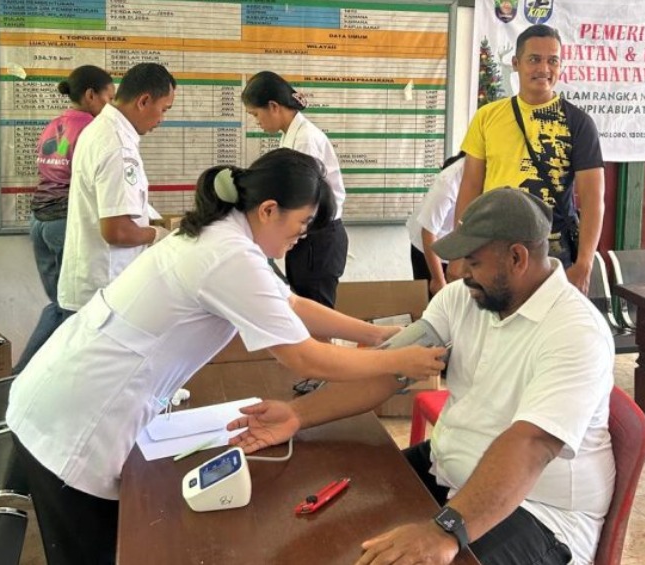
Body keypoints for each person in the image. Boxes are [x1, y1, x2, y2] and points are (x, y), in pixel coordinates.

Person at [7, 148, 446, 565]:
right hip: (75, 423)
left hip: (69, 394)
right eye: (302, 223)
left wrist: (376, 334)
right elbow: (304, 359)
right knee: (98, 552)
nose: (302, 236)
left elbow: (291, 305)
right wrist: (398, 360)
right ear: (269, 210)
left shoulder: (226, 235)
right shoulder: (228, 255)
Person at [228, 188, 615, 565]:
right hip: (449, 472)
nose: (458, 272)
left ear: (517, 258)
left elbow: (530, 445)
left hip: (540, 512)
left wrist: (446, 530)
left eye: (473, 262)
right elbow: (390, 370)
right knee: (333, 514)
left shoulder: (575, 332)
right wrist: (298, 414)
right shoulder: (462, 299)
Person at [453, 24, 604, 295]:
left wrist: (585, 262)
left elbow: (593, 198)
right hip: (492, 245)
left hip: (551, 250)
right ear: (516, 63)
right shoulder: (487, 117)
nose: (544, 69)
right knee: (493, 315)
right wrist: (460, 249)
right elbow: (471, 186)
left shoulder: (578, 123)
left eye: (552, 61)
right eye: (534, 59)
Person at [13, 66, 115, 374]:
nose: (111, 106)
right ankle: (30, 377)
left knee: (58, 304)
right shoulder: (93, 129)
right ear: (91, 95)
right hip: (64, 222)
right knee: (73, 308)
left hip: (39, 221)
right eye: (109, 98)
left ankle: (22, 377)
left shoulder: (55, 124)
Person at [57, 62, 176, 312]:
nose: (162, 120)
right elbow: (117, 232)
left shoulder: (100, 128)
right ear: (144, 101)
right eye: (164, 109)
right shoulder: (117, 146)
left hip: (92, 280)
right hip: (104, 286)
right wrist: (159, 235)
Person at [242, 71, 348, 308]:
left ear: (273, 106)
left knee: (316, 312)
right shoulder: (292, 135)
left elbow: (301, 197)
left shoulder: (305, 140)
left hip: (317, 240)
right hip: (307, 237)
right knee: (302, 308)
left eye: (256, 114)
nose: (256, 121)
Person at [406, 152, 465, 297]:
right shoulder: (450, 180)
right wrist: (438, 279)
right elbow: (428, 232)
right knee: (436, 300)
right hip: (429, 248)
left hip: (458, 247)